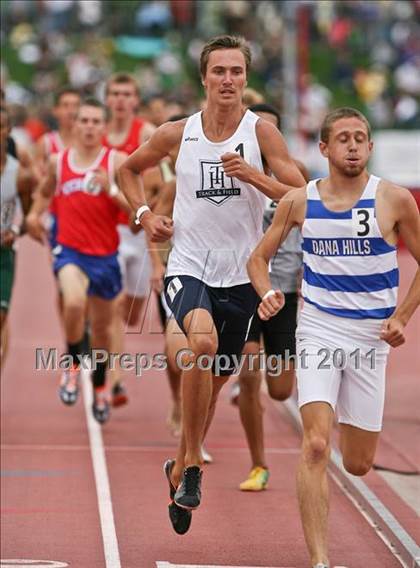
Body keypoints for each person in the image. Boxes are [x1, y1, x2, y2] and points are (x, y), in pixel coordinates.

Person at [118, 34, 305, 534]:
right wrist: (143, 214)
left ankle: (178, 468)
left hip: (241, 275)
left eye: (236, 72)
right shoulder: (177, 133)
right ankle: (195, 465)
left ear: (246, 78)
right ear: (204, 77)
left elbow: (302, 195)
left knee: (215, 387)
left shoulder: (261, 133)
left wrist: (254, 176)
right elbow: (127, 169)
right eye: (219, 71)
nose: (228, 80)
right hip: (188, 264)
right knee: (200, 344)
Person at [247, 107, 420, 568]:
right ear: (323, 149)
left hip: (370, 339)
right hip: (319, 329)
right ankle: (320, 560)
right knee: (316, 444)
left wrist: (401, 316)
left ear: (370, 146)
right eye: (342, 138)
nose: (352, 145)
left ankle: (353, 437)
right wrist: (266, 295)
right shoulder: (299, 201)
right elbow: (257, 260)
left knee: (358, 463)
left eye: (360, 138)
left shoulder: (395, 200)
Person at [26, 99, 130, 424]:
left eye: (95, 121)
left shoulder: (116, 162)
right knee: (72, 303)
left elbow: (135, 210)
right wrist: (33, 216)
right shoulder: (59, 162)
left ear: (104, 126)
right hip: (69, 251)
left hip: (106, 257)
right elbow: (44, 193)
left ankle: (99, 386)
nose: (88, 126)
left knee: (101, 333)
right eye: (83, 120)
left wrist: (111, 189)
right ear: (75, 124)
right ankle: (72, 366)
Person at [235, 103, 310, 492]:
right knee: (248, 375)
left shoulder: (296, 175)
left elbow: (305, 206)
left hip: (285, 291)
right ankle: (258, 464)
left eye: (273, 131)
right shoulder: (234, 173)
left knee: (280, 389)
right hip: (245, 288)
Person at [103, 72, 156, 407]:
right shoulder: (97, 136)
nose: (121, 100)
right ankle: (117, 380)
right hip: (108, 231)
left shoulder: (147, 134)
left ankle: (104, 333)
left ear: (135, 100)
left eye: (127, 94)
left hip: (140, 230)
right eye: (115, 93)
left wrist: (117, 192)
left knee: (132, 312)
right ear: (107, 99)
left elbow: (152, 187)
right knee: (113, 305)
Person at [0, 105, 35, 365]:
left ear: (8, 131)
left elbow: (29, 217)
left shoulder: (20, 174)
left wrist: (13, 230)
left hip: (4, 254)